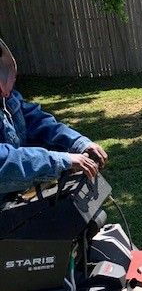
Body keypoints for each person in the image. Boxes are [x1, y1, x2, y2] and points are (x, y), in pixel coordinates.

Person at [0, 39, 107, 196]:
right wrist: (61, 160)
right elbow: (4, 161)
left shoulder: (6, 98)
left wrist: (78, 142)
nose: (6, 96)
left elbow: (34, 120)